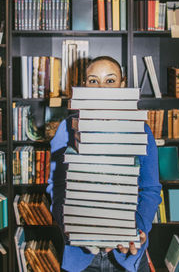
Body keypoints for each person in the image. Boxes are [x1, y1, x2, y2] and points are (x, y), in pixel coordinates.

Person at [46, 56, 162, 272]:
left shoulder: (141, 131)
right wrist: (71, 224)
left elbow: (150, 189)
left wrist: (138, 229)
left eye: (110, 80)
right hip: (81, 257)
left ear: (122, 84)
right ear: (84, 86)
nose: (101, 88)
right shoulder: (67, 129)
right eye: (93, 80)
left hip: (126, 255)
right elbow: (58, 187)